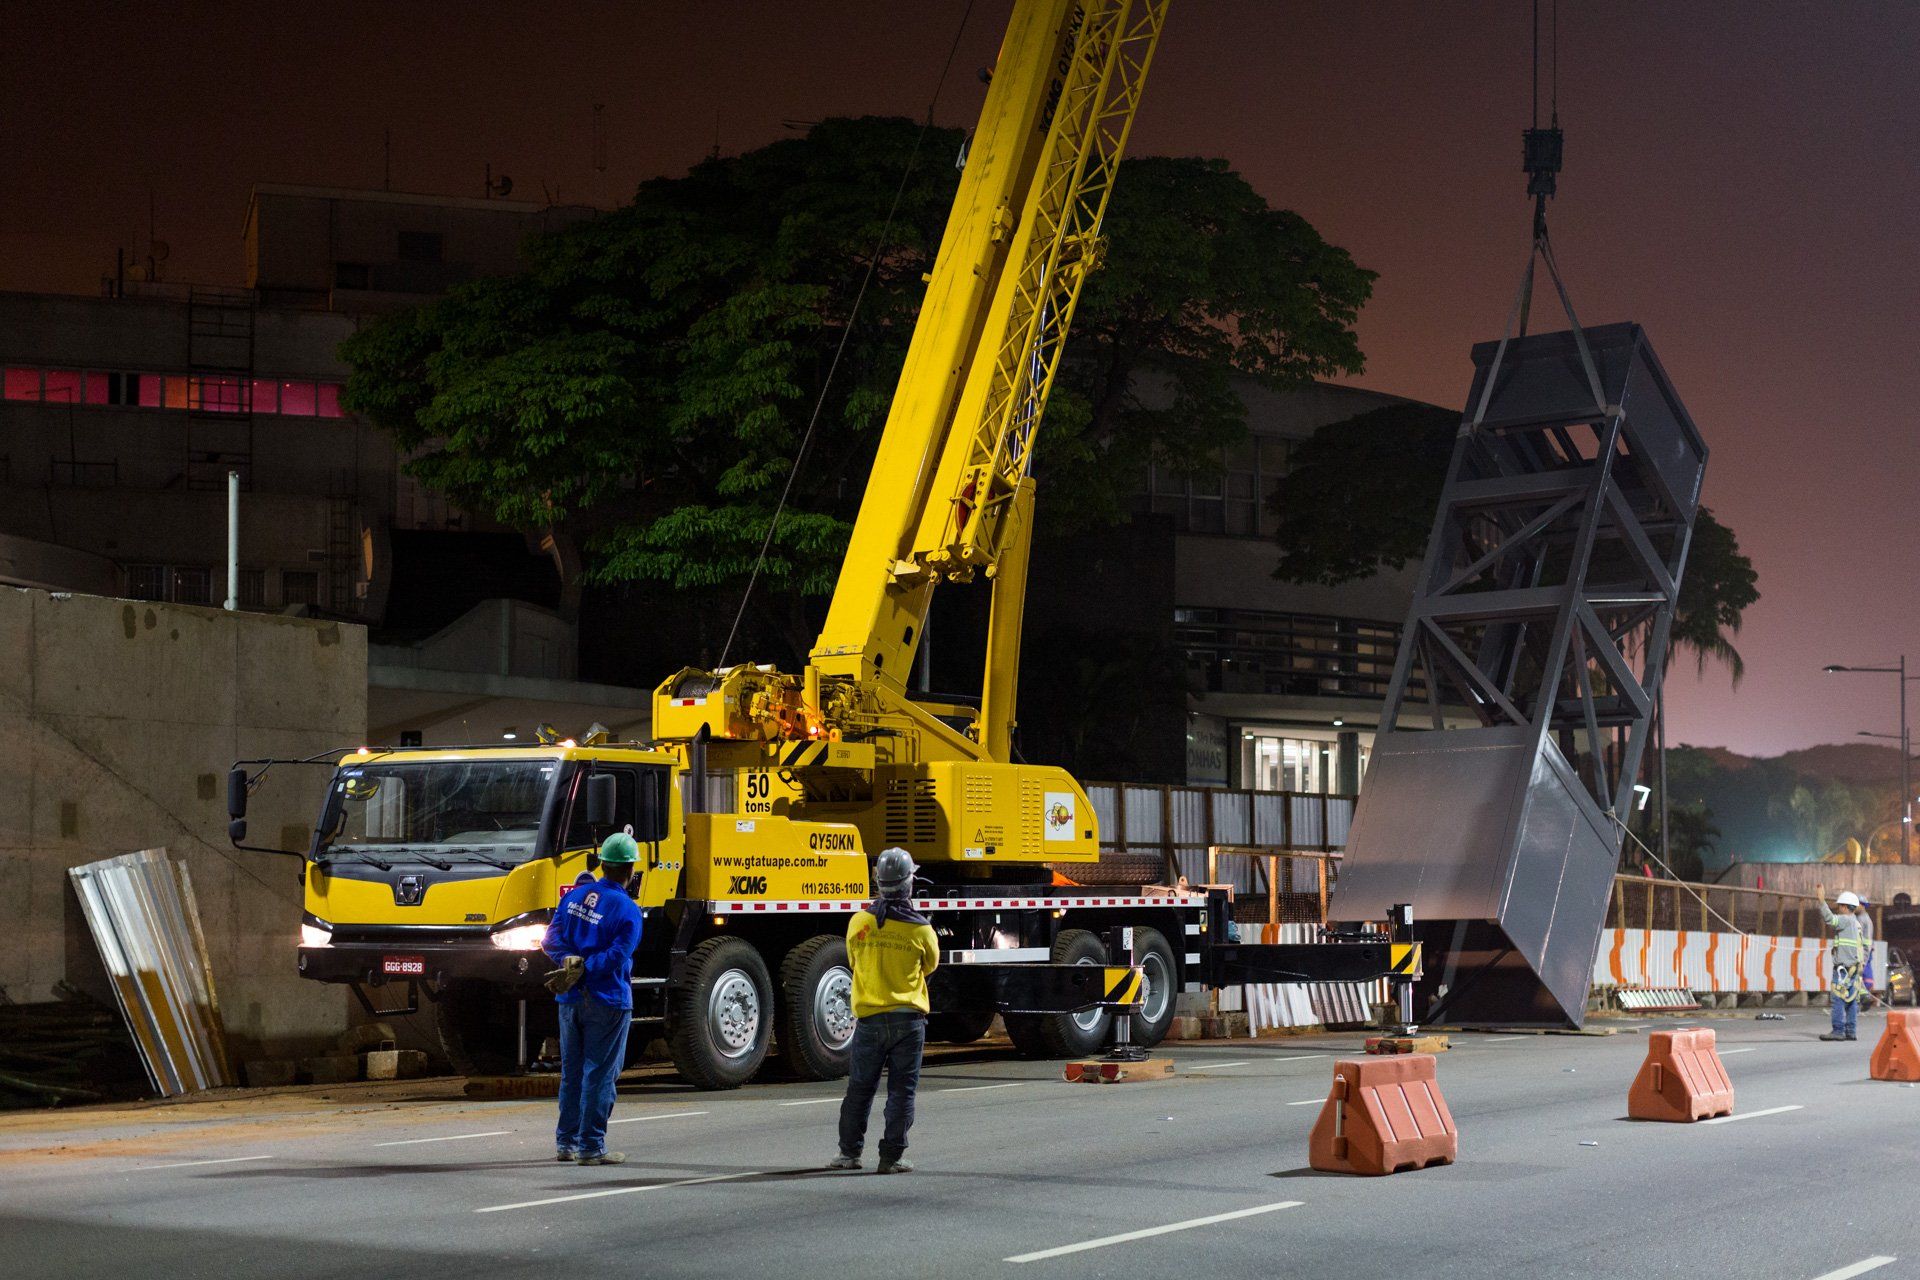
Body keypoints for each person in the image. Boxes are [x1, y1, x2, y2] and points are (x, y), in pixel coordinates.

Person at [831, 847, 939, 1174]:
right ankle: (891, 1157)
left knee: (859, 1090)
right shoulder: (920, 929)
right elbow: (930, 965)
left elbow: (854, 961)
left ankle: (849, 1154)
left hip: (868, 1021)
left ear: (878, 882)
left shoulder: (859, 922)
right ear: (909, 884)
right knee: (901, 1092)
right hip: (908, 1022)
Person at [543, 832, 644, 1164]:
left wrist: (568, 964)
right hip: (608, 999)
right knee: (600, 1073)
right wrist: (587, 969)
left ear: (602, 864)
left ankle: (565, 1143)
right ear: (630, 870)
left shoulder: (575, 896)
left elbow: (551, 938)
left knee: (572, 1073)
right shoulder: (628, 910)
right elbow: (617, 956)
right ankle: (591, 1146)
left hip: (570, 999)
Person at [1816, 884, 1867, 1041]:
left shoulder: (1845, 920)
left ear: (1845, 907)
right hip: (1854, 968)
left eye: (1839, 906)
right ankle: (1851, 1031)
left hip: (1843, 969)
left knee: (1838, 998)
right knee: (1852, 1000)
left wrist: (1821, 901)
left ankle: (1838, 1030)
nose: (1838, 909)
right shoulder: (1856, 924)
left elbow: (1830, 919)